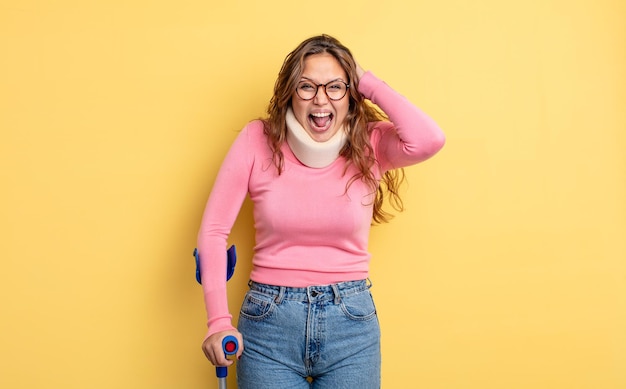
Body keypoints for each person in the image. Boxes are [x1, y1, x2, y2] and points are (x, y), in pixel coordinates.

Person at [197, 34, 445, 388]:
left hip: (351, 324)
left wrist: (368, 82)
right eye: (306, 87)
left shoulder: (370, 143)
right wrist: (218, 321)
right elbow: (214, 231)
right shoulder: (257, 139)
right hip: (269, 323)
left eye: (335, 87)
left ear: (351, 93)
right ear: (289, 93)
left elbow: (429, 139)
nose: (321, 99)